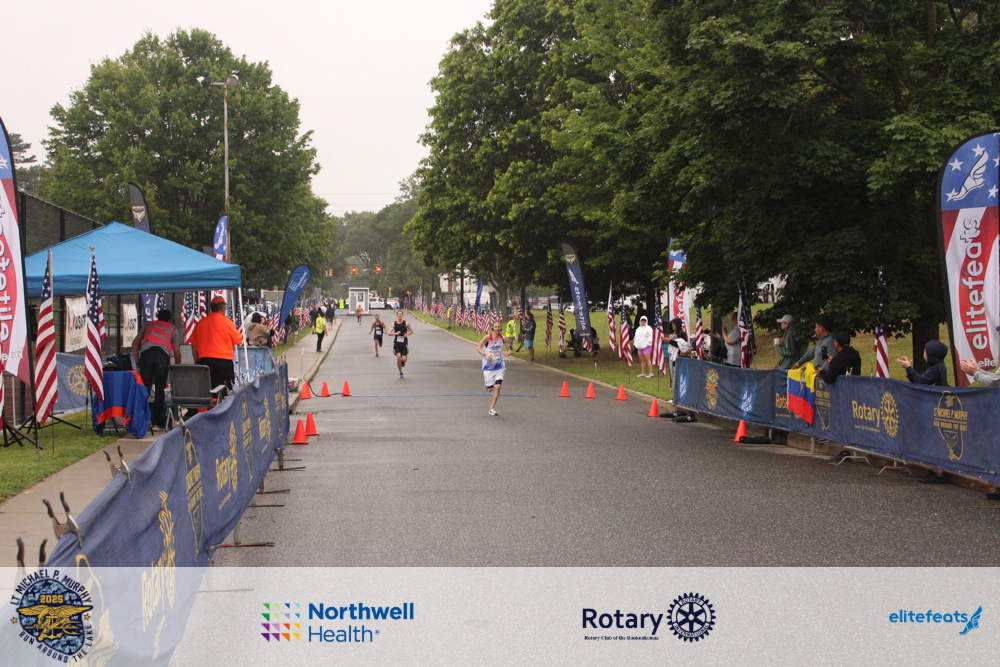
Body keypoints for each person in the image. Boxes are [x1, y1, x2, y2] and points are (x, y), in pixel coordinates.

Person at [899, 340, 950, 483]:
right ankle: (934, 470)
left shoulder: (936, 368)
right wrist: (909, 369)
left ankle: (937, 472)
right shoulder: (936, 367)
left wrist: (909, 368)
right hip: (932, 406)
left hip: (934, 407)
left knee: (934, 439)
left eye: (925, 352)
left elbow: (921, 383)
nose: (924, 354)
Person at [131, 308, 182, 430]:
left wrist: (138, 362)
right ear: (170, 320)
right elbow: (176, 351)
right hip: (162, 356)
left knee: (144, 389)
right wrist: (177, 367)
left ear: (157, 317)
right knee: (160, 390)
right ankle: (157, 422)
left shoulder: (148, 325)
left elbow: (135, 343)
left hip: (146, 355)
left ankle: (141, 421)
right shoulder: (172, 328)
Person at [191, 296, 244, 390]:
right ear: (222, 308)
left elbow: (193, 345)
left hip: (204, 361)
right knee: (225, 391)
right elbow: (238, 340)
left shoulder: (200, 323)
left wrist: (196, 361)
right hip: (223, 362)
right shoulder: (227, 322)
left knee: (206, 389)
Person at [476, 320, 512, 416]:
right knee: (490, 389)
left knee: (498, 386)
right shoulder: (488, 337)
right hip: (488, 367)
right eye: (495, 327)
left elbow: (509, 349)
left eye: (498, 326)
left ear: (501, 328)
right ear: (493, 328)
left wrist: (508, 352)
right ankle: (487, 385)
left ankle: (492, 408)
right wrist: (485, 355)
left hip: (500, 366)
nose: (497, 328)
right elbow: (478, 347)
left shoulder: (503, 338)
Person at [391, 311, 413, 378]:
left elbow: (411, 331)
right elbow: (389, 333)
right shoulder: (394, 323)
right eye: (398, 314)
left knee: (403, 359)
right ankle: (401, 372)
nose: (400, 315)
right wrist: (395, 333)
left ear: (403, 315)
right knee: (398, 358)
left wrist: (407, 334)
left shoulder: (406, 323)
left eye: (401, 314)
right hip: (397, 344)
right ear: (396, 315)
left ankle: (403, 361)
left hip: (404, 344)